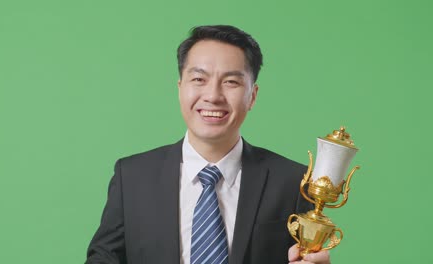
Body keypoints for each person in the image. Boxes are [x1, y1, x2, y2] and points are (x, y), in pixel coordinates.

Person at [86, 25, 331, 264]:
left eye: (231, 82)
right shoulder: (132, 176)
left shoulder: (294, 182)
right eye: (199, 79)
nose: (213, 96)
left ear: (252, 96)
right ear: (180, 88)